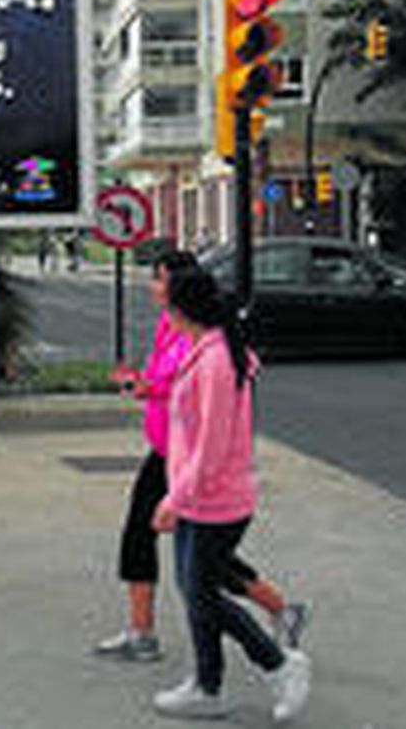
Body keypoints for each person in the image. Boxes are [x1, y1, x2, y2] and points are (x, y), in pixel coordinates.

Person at [97, 251, 307, 662]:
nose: (153, 287)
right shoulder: (171, 327)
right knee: (195, 562)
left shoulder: (205, 345)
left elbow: (199, 411)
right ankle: (271, 621)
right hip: (169, 454)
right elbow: (166, 380)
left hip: (187, 463)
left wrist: (177, 497)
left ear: (181, 291)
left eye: (159, 280)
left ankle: (270, 656)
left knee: (194, 568)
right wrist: (141, 385)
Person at [150, 268, 310, 721]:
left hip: (215, 503)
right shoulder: (207, 348)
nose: (163, 311)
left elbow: (213, 448)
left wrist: (173, 501)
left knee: (200, 594)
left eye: (168, 304)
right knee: (194, 590)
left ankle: (279, 665)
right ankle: (207, 684)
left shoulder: (217, 360)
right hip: (200, 497)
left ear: (183, 309)